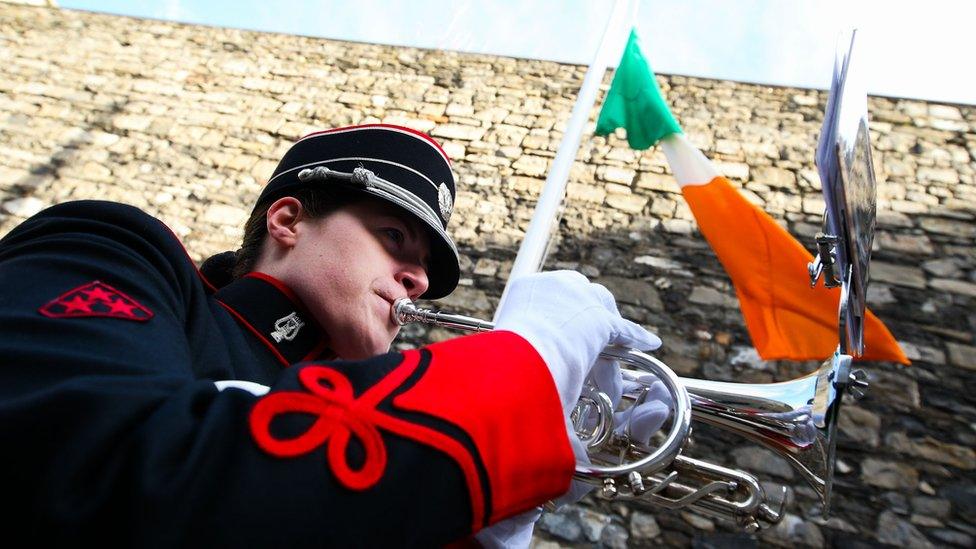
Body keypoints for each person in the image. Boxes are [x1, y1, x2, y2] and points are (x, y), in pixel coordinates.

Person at [0, 124, 666, 547]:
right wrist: (527, 369)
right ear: (289, 219)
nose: (416, 279)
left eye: (425, 271)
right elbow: (108, 475)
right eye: (393, 238)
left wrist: (490, 518)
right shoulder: (114, 250)